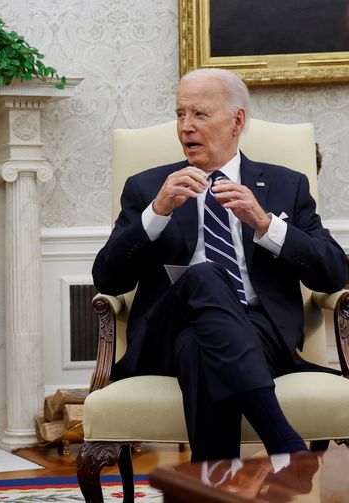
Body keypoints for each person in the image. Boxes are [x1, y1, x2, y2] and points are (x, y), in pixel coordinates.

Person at [93, 68, 348, 462]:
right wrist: (156, 213)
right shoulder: (148, 188)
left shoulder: (285, 185)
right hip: (165, 331)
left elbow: (332, 272)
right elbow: (106, 276)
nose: (185, 127)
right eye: (180, 114)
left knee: (199, 347)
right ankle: (282, 439)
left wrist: (265, 224)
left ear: (237, 121)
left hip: (259, 331)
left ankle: (211, 482)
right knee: (204, 275)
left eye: (199, 114)